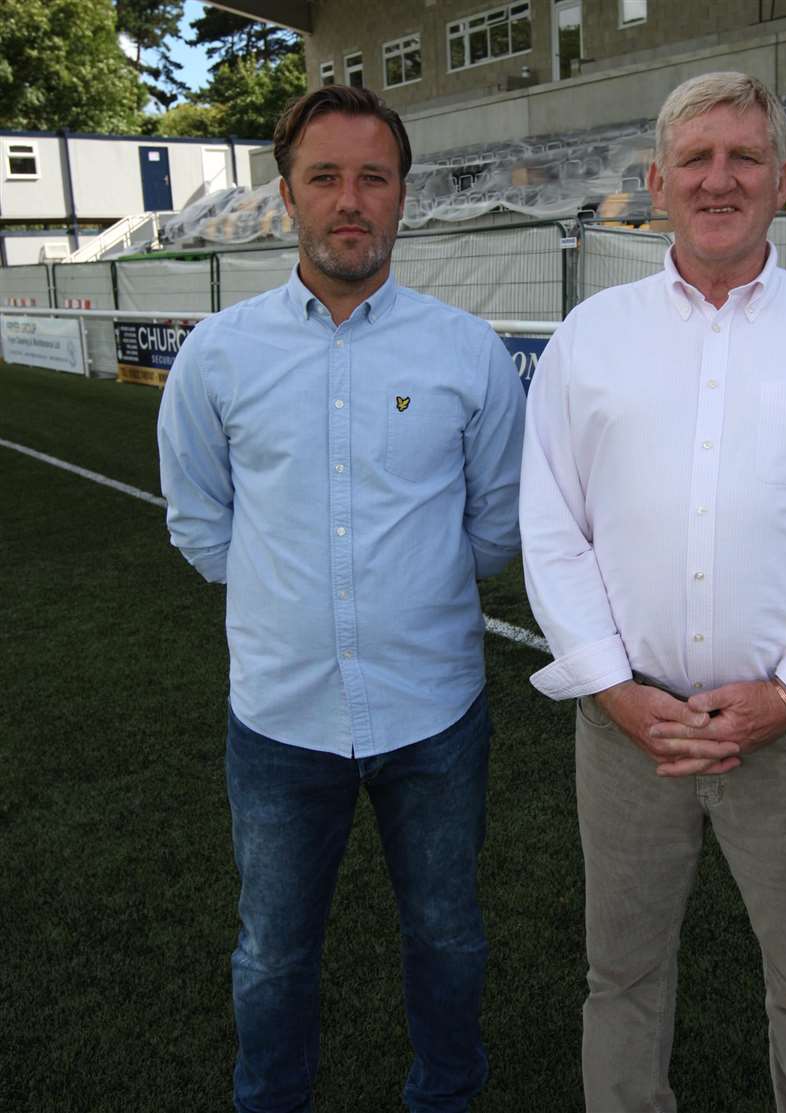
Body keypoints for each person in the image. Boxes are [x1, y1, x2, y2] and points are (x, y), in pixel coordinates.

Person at [519, 71, 786, 1113]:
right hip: (627, 737)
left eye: (744, 157)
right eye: (695, 159)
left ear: (782, 180)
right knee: (623, 979)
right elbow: (553, 531)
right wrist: (613, 688)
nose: (718, 179)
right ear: (657, 182)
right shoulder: (589, 340)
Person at [157, 85, 525, 1113]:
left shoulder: (466, 352)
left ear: (405, 197)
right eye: (325, 177)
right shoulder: (219, 355)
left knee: (447, 937)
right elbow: (200, 521)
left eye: (373, 178)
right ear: (286, 197)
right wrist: (293, 600)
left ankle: (444, 1096)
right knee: (272, 953)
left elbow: (498, 522)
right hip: (280, 716)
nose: (349, 200)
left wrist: (401, 593)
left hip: (435, 713)